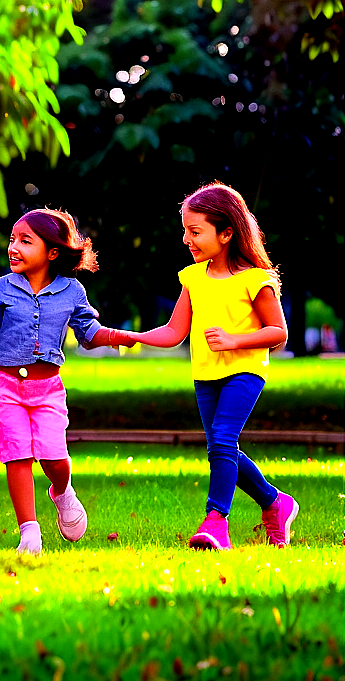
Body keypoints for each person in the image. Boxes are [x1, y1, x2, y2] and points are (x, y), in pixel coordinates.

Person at [110, 182, 297, 550]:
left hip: (244, 371)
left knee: (224, 439)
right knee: (220, 447)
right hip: (206, 375)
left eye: (195, 232)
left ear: (226, 232)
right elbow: (174, 331)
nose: (186, 239)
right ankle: (276, 503)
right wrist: (134, 337)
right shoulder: (193, 277)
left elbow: (279, 332)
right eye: (185, 231)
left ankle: (216, 523)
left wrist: (234, 340)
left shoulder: (255, 280)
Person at [0, 208, 126, 555]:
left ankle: (62, 492)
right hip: (4, 384)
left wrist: (118, 336)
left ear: (52, 252)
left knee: (53, 456)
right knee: (16, 454)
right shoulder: (0, 288)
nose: (13, 247)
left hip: (47, 388)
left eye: (25, 241)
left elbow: (88, 334)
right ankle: (29, 533)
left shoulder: (72, 291)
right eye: (12, 240)